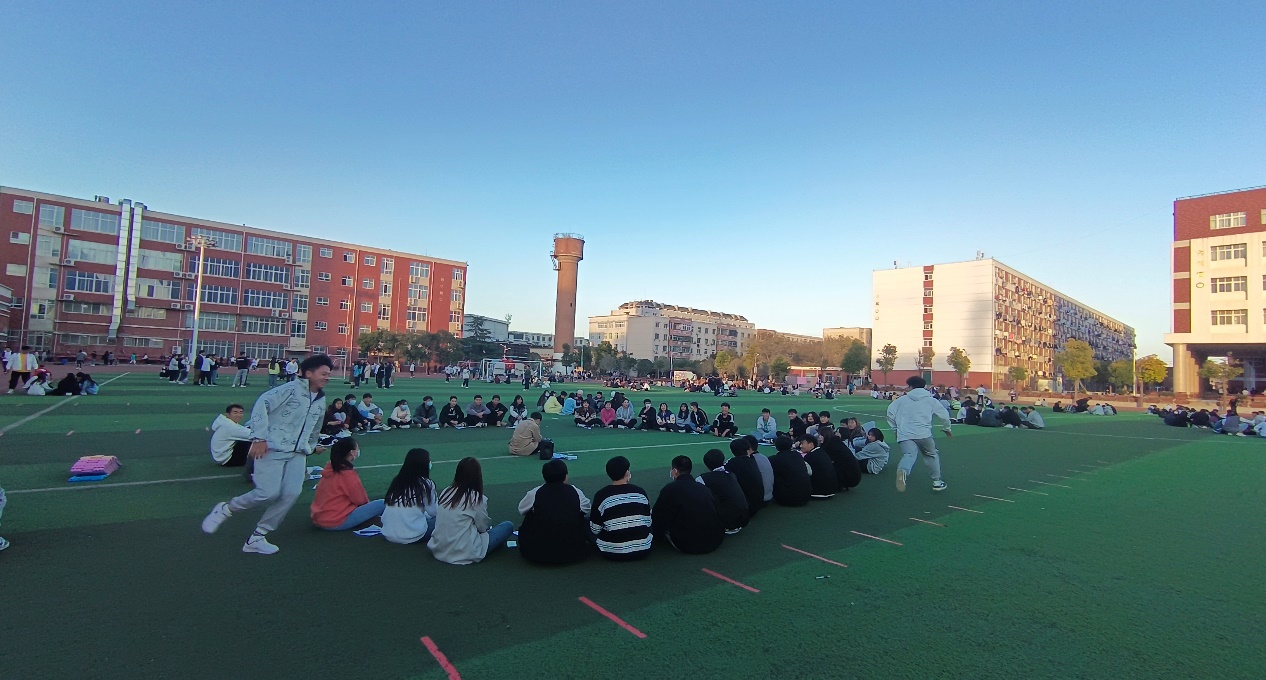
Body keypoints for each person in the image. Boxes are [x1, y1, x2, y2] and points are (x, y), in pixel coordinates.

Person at [200, 355, 333, 555]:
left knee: (291, 493)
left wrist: (311, 446)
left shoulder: (320, 399)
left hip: (298, 453)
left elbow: (315, 426)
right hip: (272, 448)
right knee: (267, 493)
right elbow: (262, 404)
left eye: (329, 374)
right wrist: (259, 438)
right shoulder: (289, 390)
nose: (327, 377)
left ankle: (258, 536)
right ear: (308, 373)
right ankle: (227, 508)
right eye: (323, 374)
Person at [428, 457, 514, 564]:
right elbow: (483, 527)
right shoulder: (477, 498)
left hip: (438, 547)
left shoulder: (446, 491)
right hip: (464, 551)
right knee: (507, 526)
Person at [517, 459, 593, 565]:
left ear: (544, 477)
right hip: (574, 552)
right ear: (566, 476)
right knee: (586, 520)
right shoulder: (575, 491)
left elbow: (522, 510)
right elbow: (586, 508)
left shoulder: (535, 492)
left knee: (530, 516)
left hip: (536, 553)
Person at [887, 376, 952, 493]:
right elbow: (944, 415)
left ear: (911, 386)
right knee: (931, 455)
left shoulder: (901, 400)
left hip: (905, 434)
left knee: (908, 455)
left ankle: (903, 471)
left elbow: (890, 413)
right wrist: (946, 428)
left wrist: (895, 429)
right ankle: (937, 482)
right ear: (924, 386)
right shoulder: (931, 400)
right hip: (924, 434)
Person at [651, 455, 725, 554]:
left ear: (675, 471)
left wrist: (657, 536)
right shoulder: (704, 488)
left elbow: (658, 517)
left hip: (689, 544)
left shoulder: (670, 489)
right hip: (715, 540)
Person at [310, 438, 384, 530]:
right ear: (352, 452)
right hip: (335, 521)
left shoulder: (330, 469)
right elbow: (360, 500)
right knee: (383, 503)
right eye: (357, 448)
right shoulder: (346, 474)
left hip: (320, 518)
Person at [588, 456, 653, 561]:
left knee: (587, 524)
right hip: (643, 549)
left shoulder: (601, 495)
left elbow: (595, 530)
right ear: (627, 473)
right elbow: (648, 523)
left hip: (611, 553)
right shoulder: (640, 492)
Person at [695, 449, 749, 534]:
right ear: (723, 461)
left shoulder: (702, 479)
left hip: (727, 522)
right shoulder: (731, 474)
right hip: (744, 518)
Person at [724, 438, 766, 517]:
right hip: (758, 502)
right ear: (748, 449)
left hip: (746, 507)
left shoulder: (732, 463)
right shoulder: (752, 459)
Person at [769, 434, 812, 506]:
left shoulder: (774, 459)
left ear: (776, 447)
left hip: (786, 499)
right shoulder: (798, 456)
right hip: (806, 496)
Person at [211, 403, 253, 468]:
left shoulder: (226, 423)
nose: (238, 415)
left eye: (241, 413)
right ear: (228, 415)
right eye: (235, 413)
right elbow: (253, 435)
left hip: (222, 458)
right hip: (228, 460)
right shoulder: (229, 426)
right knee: (257, 440)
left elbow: (243, 429)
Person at [800, 434, 841, 499]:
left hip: (818, 492)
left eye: (802, 444)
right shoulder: (822, 452)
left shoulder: (810, 457)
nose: (800, 446)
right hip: (832, 490)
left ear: (811, 445)